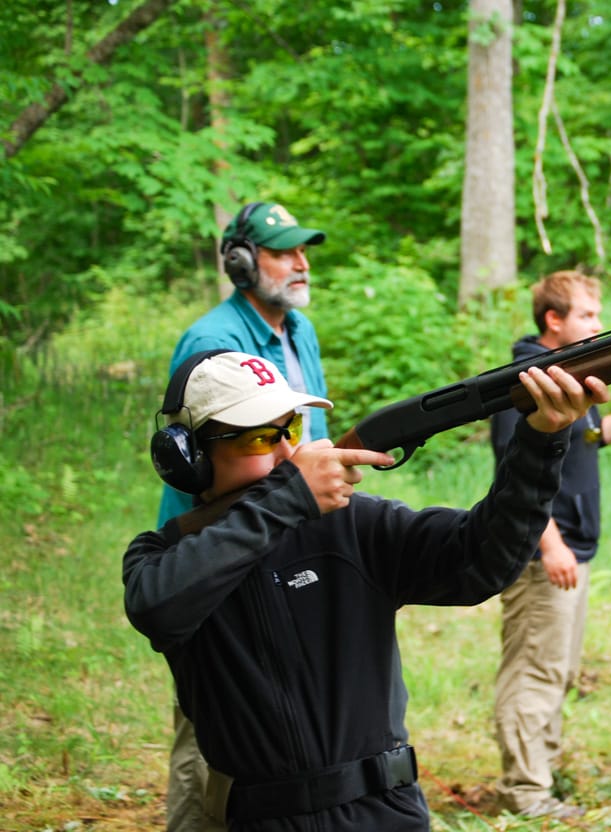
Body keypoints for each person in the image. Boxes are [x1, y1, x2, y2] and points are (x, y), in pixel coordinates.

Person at [124, 350, 609, 831]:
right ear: (187, 458)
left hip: (385, 812)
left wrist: (541, 440)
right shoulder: (163, 555)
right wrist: (287, 499)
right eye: (257, 439)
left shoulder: (352, 523)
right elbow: (158, 608)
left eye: (289, 429)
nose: (287, 454)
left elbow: (484, 561)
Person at [156, 201, 330, 832]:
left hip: (287, 549)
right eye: (285, 251)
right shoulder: (211, 342)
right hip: (219, 555)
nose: (301, 263)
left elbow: (310, 442)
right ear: (240, 261)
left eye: (303, 250)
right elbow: (197, 474)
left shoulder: (299, 330)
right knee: (209, 737)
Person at [489, 270, 611, 819]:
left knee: (557, 668)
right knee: (534, 669)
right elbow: (511, 472)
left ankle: (541, 771)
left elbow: (583, 438)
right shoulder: (523, 382)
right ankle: (524, 791)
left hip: (573, 549)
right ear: (553, 320)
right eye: (588, 314)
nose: (599, 324)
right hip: (547, 551)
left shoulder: (566, 376)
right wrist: (551, 545)